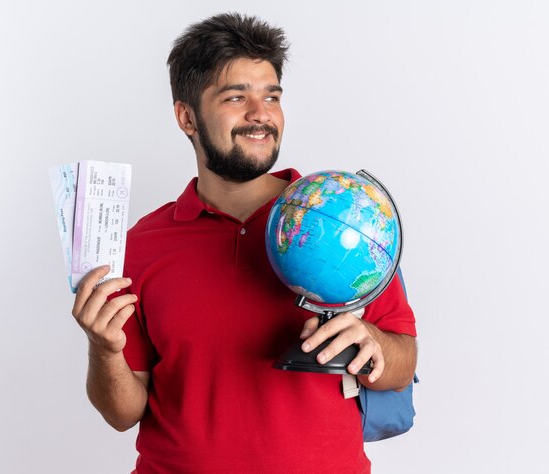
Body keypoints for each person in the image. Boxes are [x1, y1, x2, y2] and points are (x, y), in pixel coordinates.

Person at [71, 12, 417, 473]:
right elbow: (122, 413)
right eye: (237, 97)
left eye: (271, 95)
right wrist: (104, 349)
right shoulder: (140, 246)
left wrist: (373, 341)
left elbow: (403, 359)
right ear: (186, 116)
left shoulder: (344, 218)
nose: (261, 114)